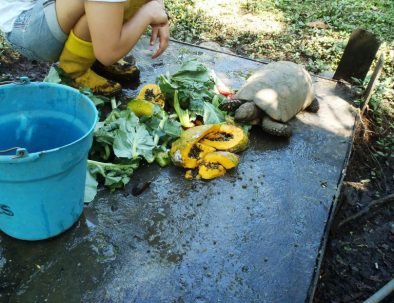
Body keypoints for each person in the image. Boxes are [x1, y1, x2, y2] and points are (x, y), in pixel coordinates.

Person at [0, 0, 170, 95]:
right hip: (27, 26)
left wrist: (157, 5)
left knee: (113, 6)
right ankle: (74, 73)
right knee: (111, 6)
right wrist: (148, 13)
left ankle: (90, 54)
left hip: (46, 10)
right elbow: (108, 53)